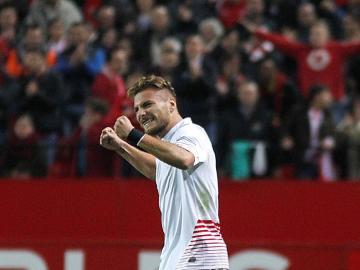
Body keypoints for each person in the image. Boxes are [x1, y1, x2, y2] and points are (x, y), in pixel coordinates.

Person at [99, 75, 229, 270]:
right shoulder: (169, 145)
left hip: (200, 259)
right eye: (137, 109)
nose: (141, 114)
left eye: (148, 105)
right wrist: (120, 146)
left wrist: (134, 135)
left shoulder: (192, 133)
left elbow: (184, 159)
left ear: (171, 105)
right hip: (178, 259)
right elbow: (157, 169)